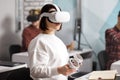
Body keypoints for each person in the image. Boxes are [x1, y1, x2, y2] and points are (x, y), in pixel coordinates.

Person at [28, 4, 77, 80]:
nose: (57, 19)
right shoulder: (39, 42)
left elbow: (60, 65)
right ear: (43, 18)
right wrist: (59, 70)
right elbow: (35, 71)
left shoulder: (58, 41)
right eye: (53, 15)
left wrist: (71, 66)